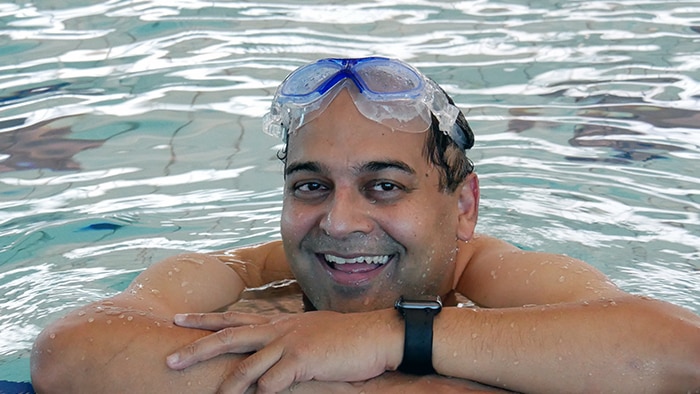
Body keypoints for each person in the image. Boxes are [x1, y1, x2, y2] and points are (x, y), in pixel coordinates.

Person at [31, 57, 700, 394]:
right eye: (311, 186)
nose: (340, 221)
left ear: (463, 207)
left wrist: (389, 339)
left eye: (384, 186)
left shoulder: (487, 275)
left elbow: (677, 356)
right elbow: (73, 355)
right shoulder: (242, 278)